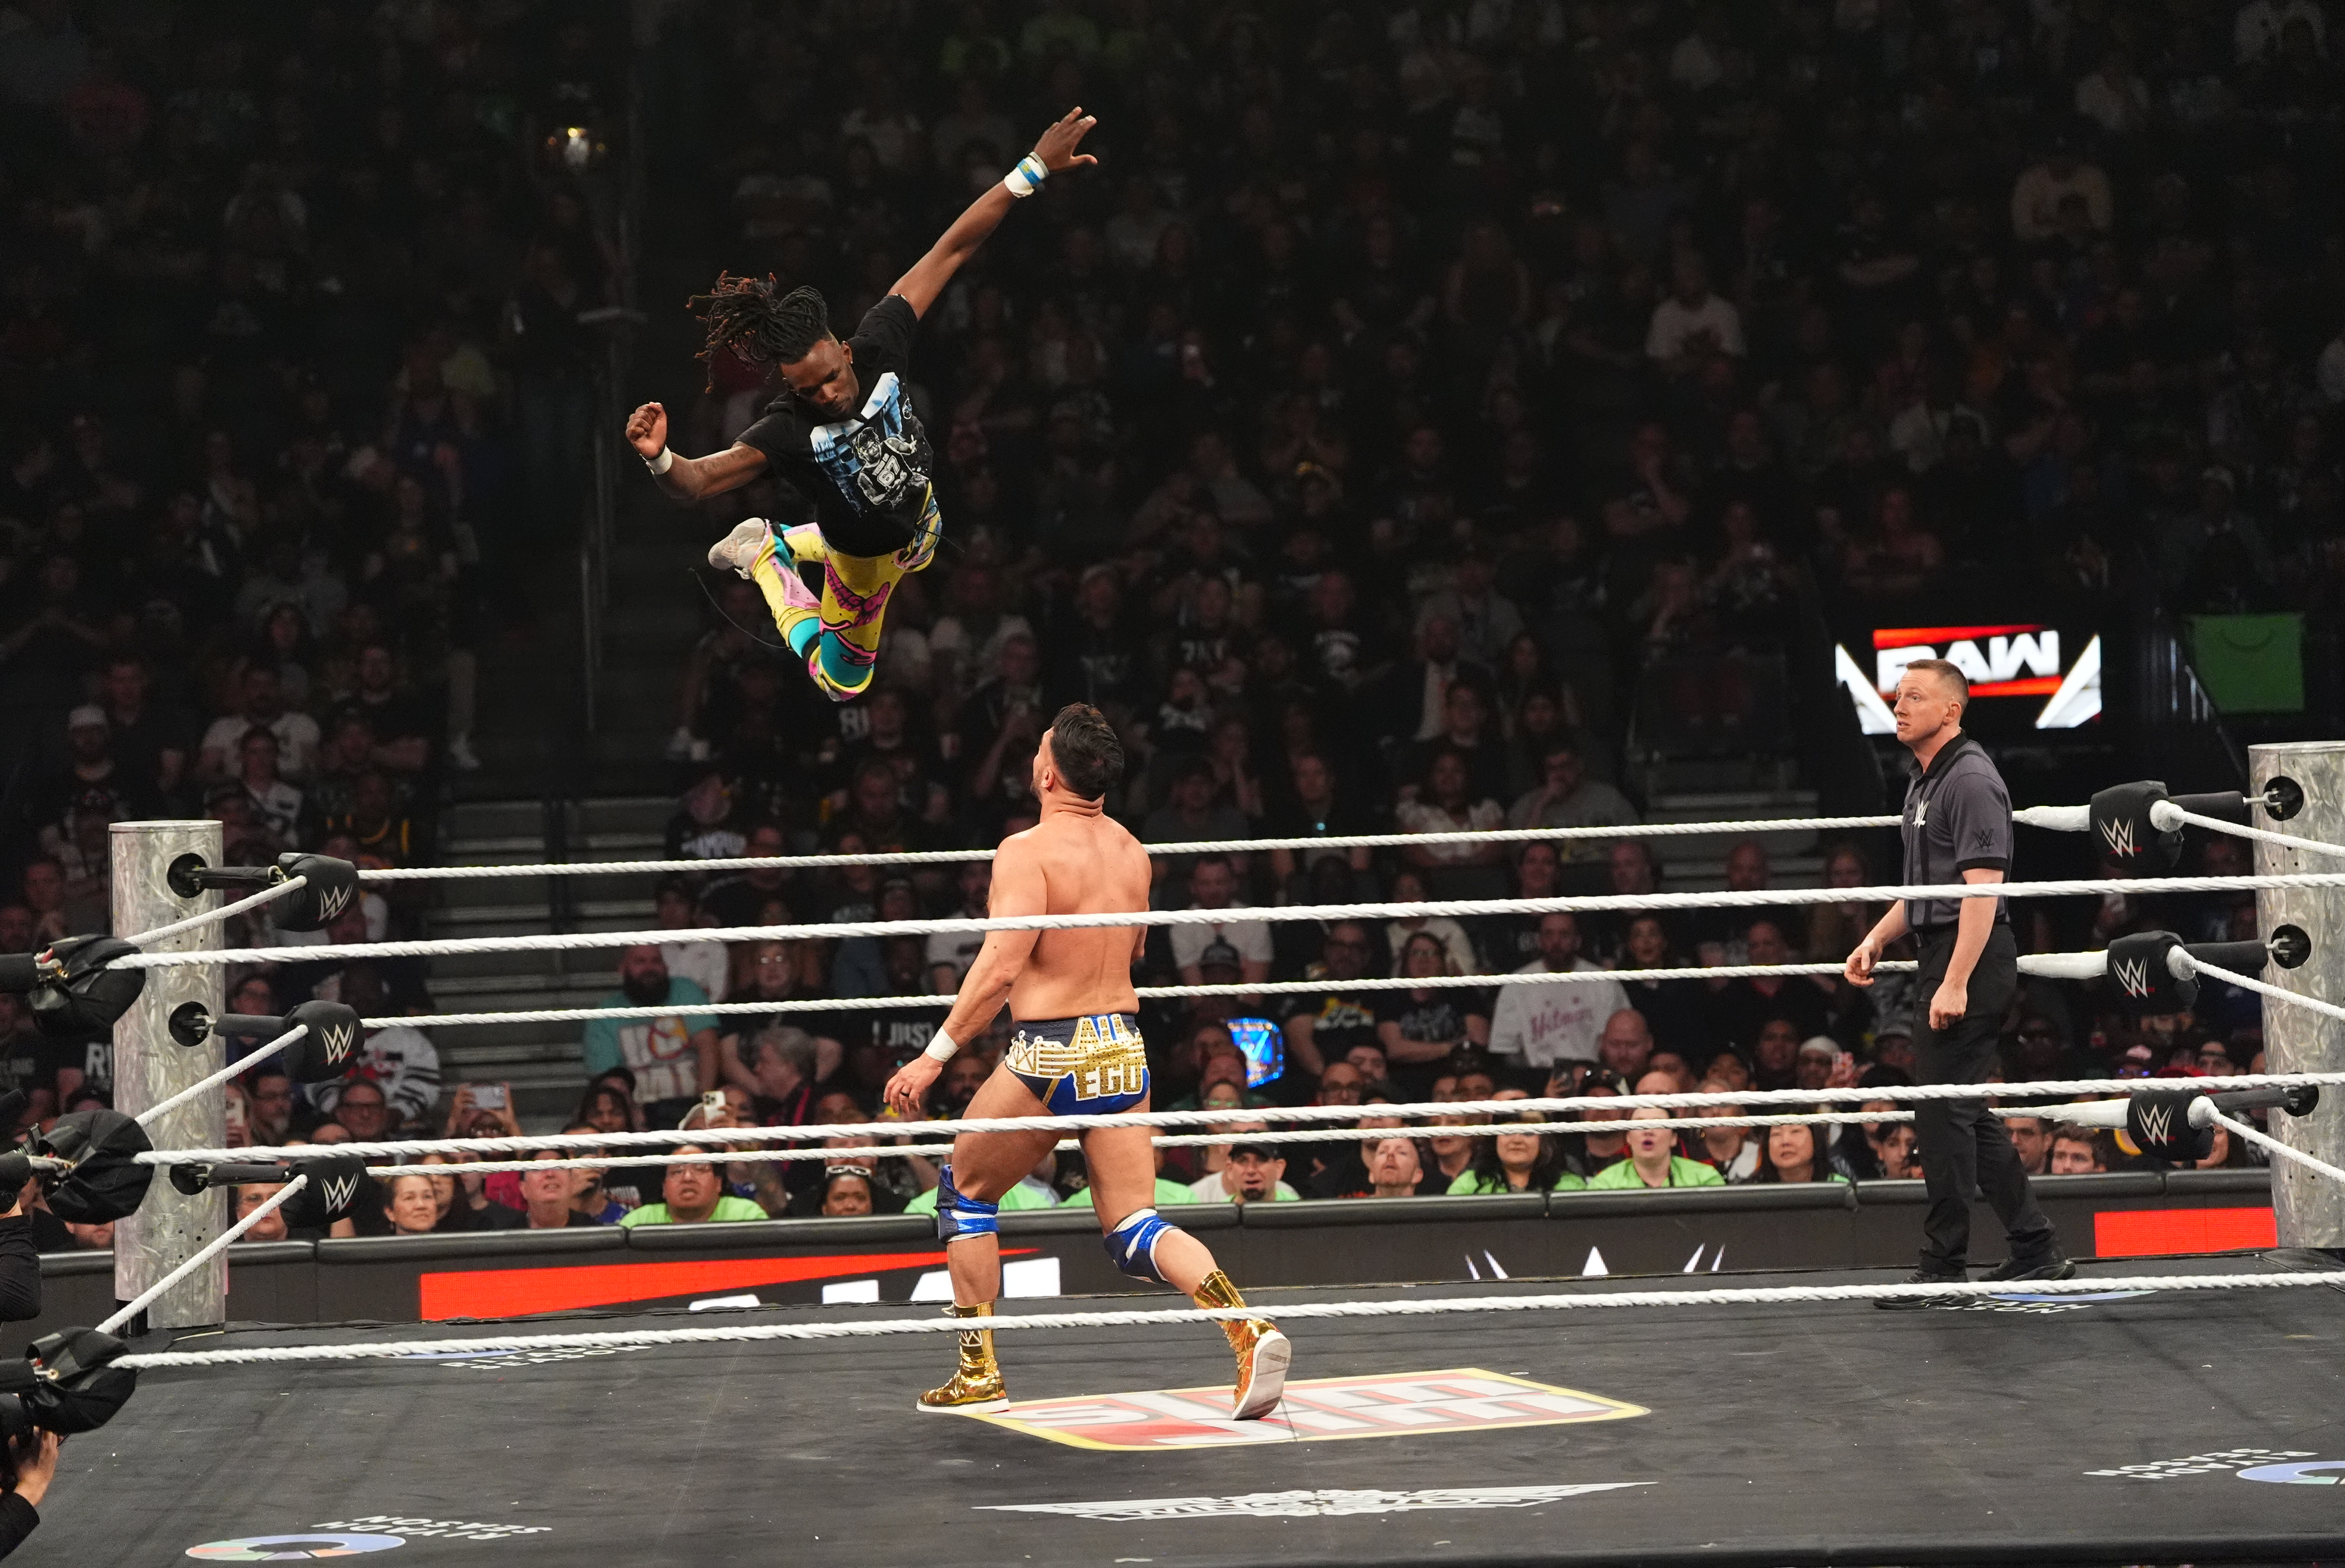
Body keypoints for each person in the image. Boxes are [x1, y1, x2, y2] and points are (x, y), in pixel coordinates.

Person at [881, 704, 1287, 1419]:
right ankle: (1245, 1324)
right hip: (1122, 1044)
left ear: (1046, 772)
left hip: (1052, 1048)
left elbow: (1003, 964)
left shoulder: (1025, 851)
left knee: (965, 1191)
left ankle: (979, 1373)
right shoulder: (1134, 850)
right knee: (1134, 1226)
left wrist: (935, 1056)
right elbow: (1131, 952)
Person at [626, 110, 1100, 703]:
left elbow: (952, 248)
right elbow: (697, 483)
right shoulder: (787, 428)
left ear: (845, 351)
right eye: (809, 390)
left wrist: (1031, 169)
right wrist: (660, 458)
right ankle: (766, 553)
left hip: (920, 521)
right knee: (842, 684)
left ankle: (789, 541)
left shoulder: (881, 338)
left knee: (923, 550)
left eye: (829, 377)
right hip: (861, 568)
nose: (826, 394)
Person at [1846, 658, 2066, 1305]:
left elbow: (1981, 893)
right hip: (1943, 949)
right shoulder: (1923, 782)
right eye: (1897, 695)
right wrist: (1876, 937)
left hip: (1969, 954)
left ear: (1952, 710)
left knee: (1942, 1114)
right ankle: (2034, 1246)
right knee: (1961, 1109)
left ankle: (1945, 1265)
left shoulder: (1970, 779)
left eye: (1916, 696)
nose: (1899, 705)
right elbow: (1926, 892)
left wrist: (1955, 981)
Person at [617, 1148, 770, 1227]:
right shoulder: (640, 1221)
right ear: (664, 1188)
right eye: (677, 1171)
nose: (688, 1178)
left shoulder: (745, 1214)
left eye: (700, 1169)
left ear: (718, 1184)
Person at [1587, 1106, 1726, 1189]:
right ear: (1628, 1137)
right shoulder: (1605, 1184)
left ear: (1673, 1138)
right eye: (1639, 1124)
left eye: (1658, 1124)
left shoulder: (1704, 1178)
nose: (1648, 1131)